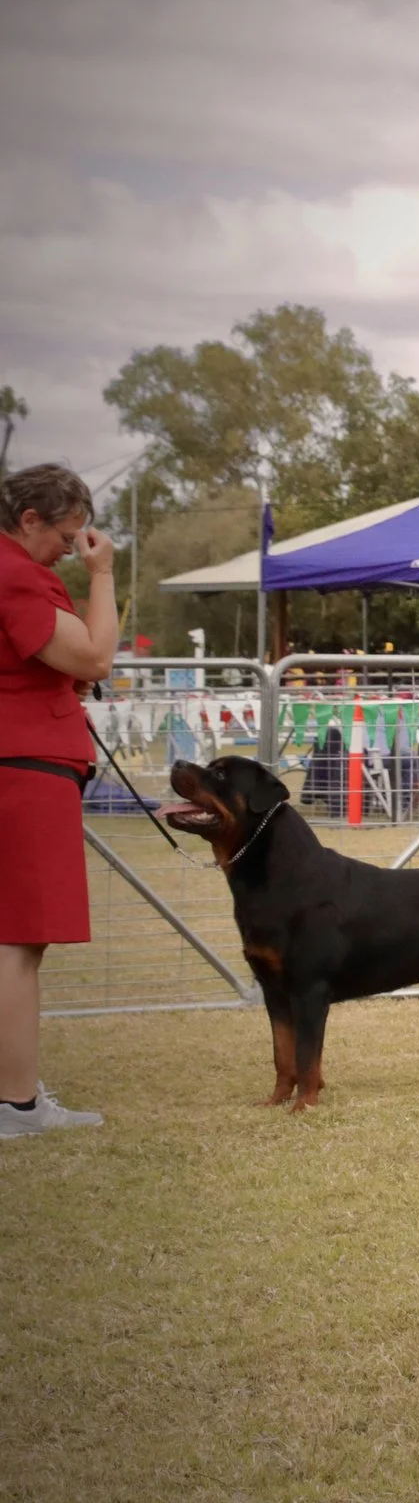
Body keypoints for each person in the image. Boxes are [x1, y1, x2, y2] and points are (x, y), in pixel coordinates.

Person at [0, 464, 115, 1141]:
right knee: (20, 939)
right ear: (30, 519)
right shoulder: (17, 574)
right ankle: (16, 1105)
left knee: (15, 937)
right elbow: (95, 657)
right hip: (25, 765)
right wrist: (101, 577)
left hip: (19, 760)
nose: (72, 552)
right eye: (66, 538)